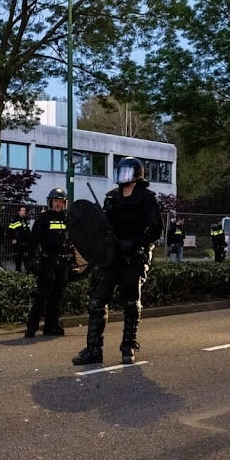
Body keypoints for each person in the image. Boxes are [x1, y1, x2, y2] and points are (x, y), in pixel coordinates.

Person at [72, 157, 162, 366]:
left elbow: (155, 229)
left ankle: (128, 345)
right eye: (121, 172)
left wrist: (135, 243)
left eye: (127, 172)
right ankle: (94, 349)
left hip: (133, 257)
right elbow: (102, 228)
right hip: (111, 257)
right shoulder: (112, 197)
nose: (123, 176)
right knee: (96, 303)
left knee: (131, 303)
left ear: (136, 175)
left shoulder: (146, 198)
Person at [24, 188, 74, 338]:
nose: (58, 204)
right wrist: (31, 259)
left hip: (63, 262)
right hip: (48, 261)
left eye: (61, 201)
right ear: (51, 202)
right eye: (56, 201)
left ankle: (51, 326)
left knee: (57, 295)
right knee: (42, 295)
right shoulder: (44, 218)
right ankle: (31, 327)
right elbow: (33, 241)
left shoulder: (67, 219)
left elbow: (72, 239)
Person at [6, 205, 32, 272]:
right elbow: (9, 231)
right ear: (19, 212)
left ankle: (28, 275)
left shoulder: (26, 220)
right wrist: (12, 239)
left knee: (27, 260)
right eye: (22, 210)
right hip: (18, 244)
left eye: (25, 211)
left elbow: (28, 231)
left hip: (26, 244)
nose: (24, 212)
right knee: (18, 261)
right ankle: (18, 274)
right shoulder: (14, 220)